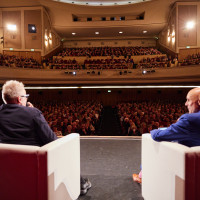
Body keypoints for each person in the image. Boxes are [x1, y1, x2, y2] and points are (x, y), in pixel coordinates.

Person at [0, 80, 91, 195]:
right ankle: (80, 184)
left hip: (6, 167)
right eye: (26, 96)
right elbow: (51, 140)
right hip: (34, 164)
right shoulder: (33, 114)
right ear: (19, 99)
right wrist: (32, 111)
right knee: (63, 148)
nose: (26, 99)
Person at [133, 87, 200, 184]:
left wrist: (154, 130)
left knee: (154, 141)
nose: (186, 104)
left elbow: (158, 135)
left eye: (188, 100)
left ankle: (143, 175)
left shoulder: (188, 120)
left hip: (189, 165)